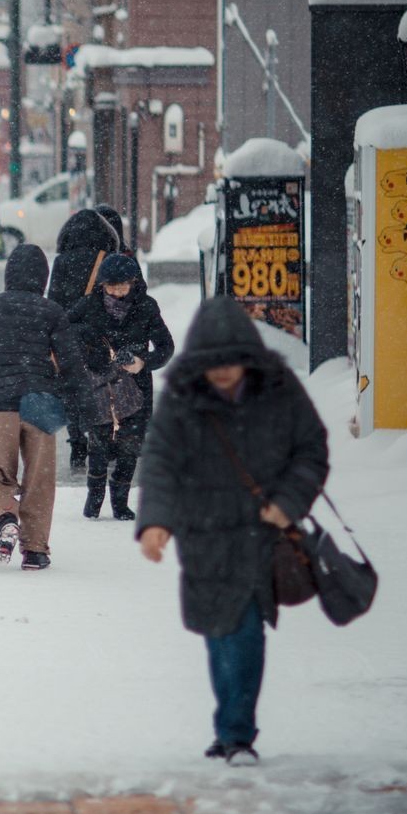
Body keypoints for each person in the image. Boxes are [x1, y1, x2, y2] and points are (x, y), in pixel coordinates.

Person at [133, 297, 329, 766]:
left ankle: (237, 733)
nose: (221, 373)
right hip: (201, 533)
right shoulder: (182, 397)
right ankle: (229, 727)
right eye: (211, 364)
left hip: (257, 532)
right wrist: (155, 522)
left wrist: (287, 504)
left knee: (243, 629)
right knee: (216, 630)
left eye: (231, 363)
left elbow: (311, 451)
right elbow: (160, 464)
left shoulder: (279, 389)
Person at [0, 244, 89, 571]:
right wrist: (90, 413)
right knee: (40, 478)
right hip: (41, 405)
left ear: (9, 274)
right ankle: (36, 550)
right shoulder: (52, 311)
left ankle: (6, 518)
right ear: (43, 277)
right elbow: (72, 366)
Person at [67, 251, 174, 520]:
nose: (116, 292)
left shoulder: (146, 307)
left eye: (122, 286)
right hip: (99, 387)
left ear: (134, 283)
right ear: (102, 285)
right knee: (99, 445)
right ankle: (94, 499)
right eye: (110, 286)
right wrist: (88, 344)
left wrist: (142, 361)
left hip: (135, 390)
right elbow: (64, 330)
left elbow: (166, 347)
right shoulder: (89, 305)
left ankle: (120, 502)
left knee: (130, 447)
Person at [47, 205, 125, 474]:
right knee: (101, 389)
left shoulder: (61, 261)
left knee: (71, 390)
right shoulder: (107, 259)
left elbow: (53, 301)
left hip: (68, 336)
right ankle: (100, 440)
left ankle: (77, 442)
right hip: (99, 336)